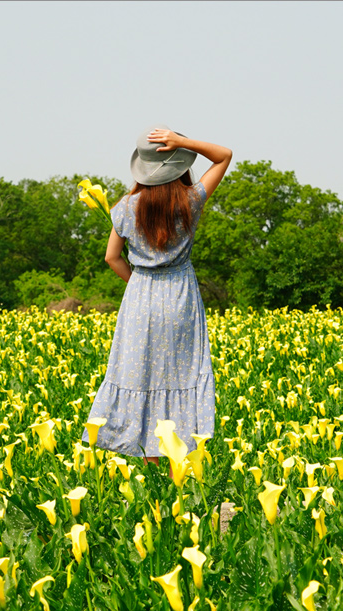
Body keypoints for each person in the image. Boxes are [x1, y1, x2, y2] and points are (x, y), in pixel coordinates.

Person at [81, 125, 232, 471]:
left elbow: (111, 258)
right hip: (180, 296)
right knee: (181, 376)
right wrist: (182, 142)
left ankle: (148, 463)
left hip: (141, 297)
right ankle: (179, 462)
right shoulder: (191, 201)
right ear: (179, 166)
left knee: (141, 374)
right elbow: (224, 156)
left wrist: (139, 282)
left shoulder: (123, 208)